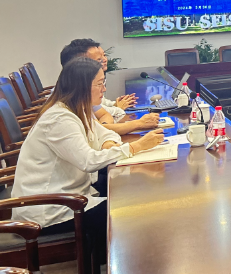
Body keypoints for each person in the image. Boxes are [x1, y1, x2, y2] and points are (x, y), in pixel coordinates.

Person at [11, 57, 164, 242]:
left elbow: (106, 133)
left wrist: (108, 144)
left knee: (126, 190)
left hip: (69, 196)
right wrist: (136, 146)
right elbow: (89, 161)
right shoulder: (60, 119)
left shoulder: (78, 109)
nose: (104, 89)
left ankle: (106, 255)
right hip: (47, 211)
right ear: (81, 87)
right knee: (127, 209)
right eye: (99, 84)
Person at [60, 39, 159, 135]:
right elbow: (98, 131)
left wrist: (105, 125)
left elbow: (102, 121)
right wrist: (138, 123)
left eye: (103, 56)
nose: (104, 60)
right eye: (98, 60)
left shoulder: (83, 93)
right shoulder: (63, 111)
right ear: (80, 66)